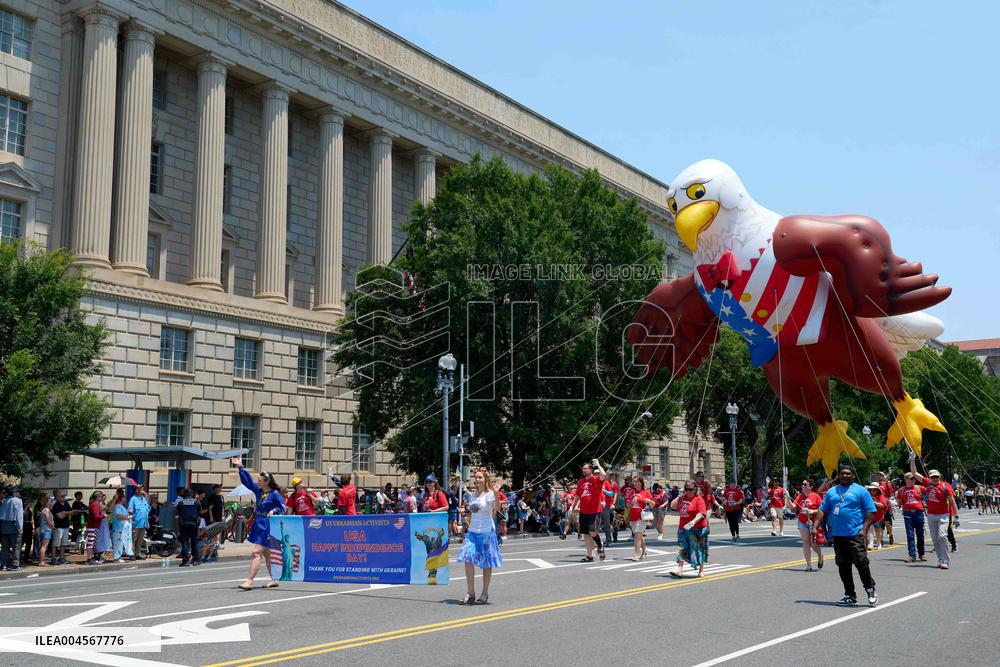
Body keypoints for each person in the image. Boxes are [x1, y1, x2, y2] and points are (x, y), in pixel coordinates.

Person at [815, 466, 877, 607]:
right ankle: (850, 595)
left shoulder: (861, 491)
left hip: (855, 533)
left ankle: (870, 589)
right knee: (843, 566)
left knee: (861, 562)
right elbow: (822, 510)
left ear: (853, 476)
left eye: (848, 473)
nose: (845, 475)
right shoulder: (831, 492)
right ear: (839, 476)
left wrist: (864, 529)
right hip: (837, 535)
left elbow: (870, 511)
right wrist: (815, 526)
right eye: (842, 473)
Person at [232, 457, 285, 590]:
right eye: (258, 481)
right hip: (259, 523)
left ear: (267, 482)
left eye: (260, 481)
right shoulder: (258, 490)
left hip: (268, 526)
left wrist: (274, 510)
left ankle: (249, 581)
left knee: (256, 552)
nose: (258, 483)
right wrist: (241, 467)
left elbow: (283, 507)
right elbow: (248, 482)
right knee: (266, 553)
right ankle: (274, 579)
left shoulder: (275, 494)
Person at [457, 468, 504, 605]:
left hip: (486, 531)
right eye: (476, 477)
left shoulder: (490, 494)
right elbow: (473, 511)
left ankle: (484, 593)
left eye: (480, 478)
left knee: (486, 563)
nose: (477, 480)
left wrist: (496, 493)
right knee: (467, 558)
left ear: (485, 479)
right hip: (472, 532)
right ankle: (470, 592)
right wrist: (464, 512)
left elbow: (496, 510)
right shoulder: (473, 495)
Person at [909, 459, 959, 570]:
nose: (935, 479)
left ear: (939, 477)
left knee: (942, 536)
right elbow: (914, 473)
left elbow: (952, 502)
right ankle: (940, 559)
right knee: (935, 539)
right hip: (931, 515)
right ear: (930, 478)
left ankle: (946, 560)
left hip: (943, 515)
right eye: (933, 477)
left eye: (937, 477)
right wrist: (912, 461)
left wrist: (956, 516)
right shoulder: (928, 483)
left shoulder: (946, 486)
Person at [571, 460, 608, 562]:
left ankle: (600, 545)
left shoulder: (596, 479)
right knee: (586, 534)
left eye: (585, 468)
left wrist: (598, 464)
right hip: (584, 511)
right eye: (583, 469)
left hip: (594, 510)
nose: (583, 470)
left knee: (592, 530)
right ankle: (589, 556)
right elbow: (577, 495)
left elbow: (604, 474)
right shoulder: (581, 481)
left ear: (591, 469)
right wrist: (572, 507)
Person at [670, 480, 708, 578]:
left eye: (690, 489)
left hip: (697, 528)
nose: (688, 491)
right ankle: (680, 570)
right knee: (682, 548)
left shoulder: (699, 499)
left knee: (699, 549)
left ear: (695, 489)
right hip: (683, 528)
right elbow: (672, 506)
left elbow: (701, 513)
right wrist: (679, 496)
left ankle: (701, 570)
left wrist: (693, 522)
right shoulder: (682, 498)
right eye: (686, 489)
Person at [792, 479, 824, 571]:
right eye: (802, 484)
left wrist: (812, 511)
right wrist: (786, 497)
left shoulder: (816, 496)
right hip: (803, 521)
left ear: (811, 487)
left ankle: (820, 556)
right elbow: (792, 507)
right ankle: (809, 565)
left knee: (814, 544)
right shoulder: (800, 496)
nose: (803, 486)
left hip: (814, 522)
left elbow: (822, 510)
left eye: (805, 484)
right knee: (806, 542)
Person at [627, 477, 654, 561]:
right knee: (639, 535)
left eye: (636, 481)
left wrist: (648, 501)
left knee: (637, 535)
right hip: (633, 516)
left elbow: (653, 505)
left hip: (642, 516)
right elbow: (628, 505)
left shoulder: (645, 492)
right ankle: (645, 551)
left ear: (640, 483)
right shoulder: (632, 492)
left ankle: (636, 554)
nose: (634, 483)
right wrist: (629, 504)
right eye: (633, 481)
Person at [173, 489, 201, 566]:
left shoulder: (181, 503)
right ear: (192, 494)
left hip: (184, 524)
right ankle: (195, 560)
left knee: (185, 542)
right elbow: (199, 511)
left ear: (184, 494)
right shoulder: (196, 502)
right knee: (195, 542)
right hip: (194, 524)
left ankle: (185, 561)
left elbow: (177, 511)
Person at [0, 487, 23, 570]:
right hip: (14, 526)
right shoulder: (17, 500)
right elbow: (19, 515)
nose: (19, 493)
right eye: (18, 492)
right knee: (16, 546)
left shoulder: (4, 500)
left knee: (5, 547)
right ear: (14, 493)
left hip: (4, 526)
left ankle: (3, 564)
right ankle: (15, 564)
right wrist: (20, 528)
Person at [50, 490, 73, 565]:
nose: (64, 497)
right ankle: (53, 558)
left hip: (66, 526)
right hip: (58, 527)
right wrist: (67, 513)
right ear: (57, 497)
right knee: (56, 543)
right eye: (62, 496)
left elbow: (72, 512)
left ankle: (62, 557)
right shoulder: (56, 505)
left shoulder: (66, 503)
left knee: (63, 543)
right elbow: (59, 516)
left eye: (64, 496)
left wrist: (64, 513)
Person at [128, 486, 150, 559]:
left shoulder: (144, 499)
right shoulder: (133, 499)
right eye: (139, 489)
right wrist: (131, 522)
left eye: (142, 489)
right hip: (136, 523)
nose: (141, 490)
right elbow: (130, 511)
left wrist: (148, 522)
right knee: (133, 539)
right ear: (136, 490)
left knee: (140, 539)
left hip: (143, 523)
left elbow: (146, 511)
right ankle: (132, 554)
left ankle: (138, 553)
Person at [875, 471, 895, 545]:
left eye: (880, 475)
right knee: (880, 524)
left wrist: (889, 499)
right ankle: (881, 539)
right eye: (877, 475)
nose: (879, 477)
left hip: (886, 507)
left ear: (883, 477)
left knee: (887, 523)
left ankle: (891, 535)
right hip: (878, 507)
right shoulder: (874, 485)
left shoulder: (887, 485)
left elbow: (892, 495)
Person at [865, 485, 887, 551]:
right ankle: (870, 544)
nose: (872, 491)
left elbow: (883, 505)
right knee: (870, 530)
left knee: (878, 530)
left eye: (874, 490)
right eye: (871, 490)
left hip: (878, 516)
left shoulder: (880, 496)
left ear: (877, 490)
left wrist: (874, 503)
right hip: (869, 515)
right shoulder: (867, 496)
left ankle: (878, 543)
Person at [601, 474, 619, 545]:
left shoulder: (613, 484)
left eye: (611, 475)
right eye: (609, 475)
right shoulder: (602, 482)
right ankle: (604, 539)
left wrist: (614, 503)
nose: (610, 476)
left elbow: (614, 494)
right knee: (602, 524)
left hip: (609, 505)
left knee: (610, 522)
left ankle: (614, 534)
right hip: (600, 506)